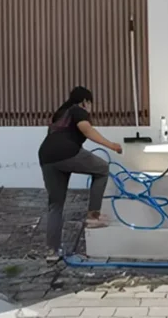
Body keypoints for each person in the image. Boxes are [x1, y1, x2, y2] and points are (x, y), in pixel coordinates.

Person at [38, 86, 123, 259]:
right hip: (66, 152)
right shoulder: (78, 110)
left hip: (47, 157)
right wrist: (111, 145)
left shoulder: (60, 114)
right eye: (91, 103)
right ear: (85, 101)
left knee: (55, 205)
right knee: (102, 169)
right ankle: (93, 216)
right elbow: (86, 129)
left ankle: (52, 251)